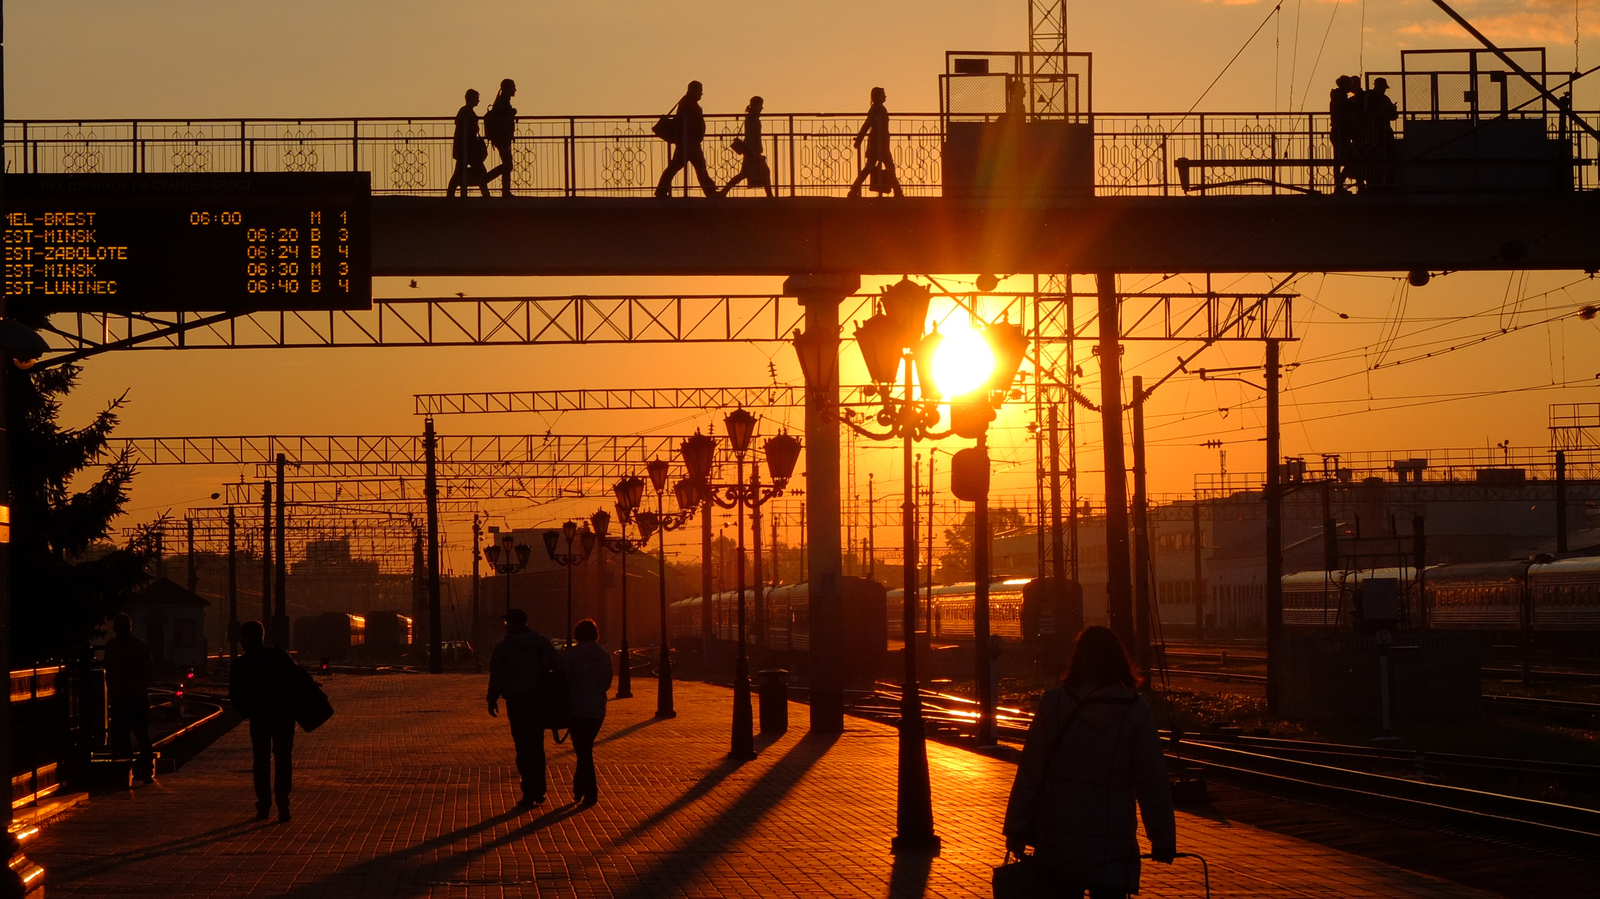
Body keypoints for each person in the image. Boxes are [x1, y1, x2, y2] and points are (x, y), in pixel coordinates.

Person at [1002, 626, 1176, 899]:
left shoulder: (1054, 704)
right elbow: (1152, 782)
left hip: (1058, 843)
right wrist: (1163, 839)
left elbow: (1030, 772)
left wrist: (1016, 828)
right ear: (1119, 661)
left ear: (1078, 660)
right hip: (1114, 845)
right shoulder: (1136, 712)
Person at [487, 607, 559, 807]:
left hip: (516, 702)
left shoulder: (503, 647)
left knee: (523, 748)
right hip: (538, 701)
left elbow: (497, 675)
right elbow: (558, 665)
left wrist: (492, 699)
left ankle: (528, 791)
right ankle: (540, 789)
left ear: (512, 624)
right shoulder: (541, 643)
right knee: (537, 747)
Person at [229, 620, 298, 823]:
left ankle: (264, 806)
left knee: (261, 762)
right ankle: (283, 804)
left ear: (244, 639)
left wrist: (247, 713)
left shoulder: (241, 664)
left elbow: (235, 694)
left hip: (259, 719)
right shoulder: (279, 656)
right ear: (262, 636)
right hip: (283, 717)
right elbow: (296, 682)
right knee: (283, 759)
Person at [564, 618, 612, 805]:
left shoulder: (572, 655)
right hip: (597, 710)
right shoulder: (604, 655)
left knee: (583, 751)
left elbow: (564, 679)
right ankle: (581, 788)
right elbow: (607, 683)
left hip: (577, 708)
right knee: (585, 749)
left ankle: (589, 792)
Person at [103, 613, 155, 784]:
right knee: (142, 736)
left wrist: (115, 690)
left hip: (121, 698)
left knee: (122, 736)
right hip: (137, 697)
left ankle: (126, 772)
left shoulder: (111, 647)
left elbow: (109, 672)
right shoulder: (140, 646)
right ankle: (145, 771)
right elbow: (149, 673)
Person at [655, 81, 719, 198]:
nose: (701, 93)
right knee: (697, 167)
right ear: (693, 90)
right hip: (689, 142)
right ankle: (711, 192)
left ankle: (661, 190)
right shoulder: (688, 103)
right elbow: (686, 122)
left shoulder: (687, 101)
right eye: (700, 90)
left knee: (680, 166)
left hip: (688, 142)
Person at [848, 87, 903, 198]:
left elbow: (867, 125)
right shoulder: (879, 109)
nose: (885, 96)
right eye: (883, 94)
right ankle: (898, 191)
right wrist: (861, 139)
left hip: (877, 144)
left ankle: (854, 189)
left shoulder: (875, 108)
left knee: (870, 168)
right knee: (889, 168)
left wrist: (859, 139)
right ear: (878, 96)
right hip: (880, 145)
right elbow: (872, 126)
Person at [721, 96, 774, 197]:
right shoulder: (752, 119)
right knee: (764, 172)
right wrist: (753, 151)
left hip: (751, 151)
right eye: (760, 106)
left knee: (745, 174)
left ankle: (724, 191)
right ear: (756, 106)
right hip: (752, 151)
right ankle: (770, 196)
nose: (761, 109)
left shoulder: (751, 118)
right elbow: (751, 136)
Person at [448, 88, 490, 198]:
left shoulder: (465, 111)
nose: (478, 101)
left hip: (466, 148)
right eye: (477, 98)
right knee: (480, 171)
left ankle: (450, 194)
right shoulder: (466, 111)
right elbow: (466, 129)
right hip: (467, 148)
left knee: (459, 172)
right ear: (471, 99)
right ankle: (486, 195)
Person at [1361, 77, 1399, 190]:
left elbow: (1394, 116)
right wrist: (1381, 112)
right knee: (1374, 157)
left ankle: (1386, 182)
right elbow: (1366, 115)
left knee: (1389, 156)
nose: (1383, 90)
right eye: (1382, 87)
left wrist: (1392, 110)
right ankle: (1374, 183)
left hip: (1385, 132)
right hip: (1374, 133)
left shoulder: (1385, 99)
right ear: (1376, 86)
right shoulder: (1370, 98)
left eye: (1384, 88)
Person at [483, 79, 518, 197]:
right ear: (507, 88)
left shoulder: (502, 100)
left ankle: (505, 190)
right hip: (502, 138)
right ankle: (486, 180)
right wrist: (512, 112)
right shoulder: (503, 101)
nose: (515, 90)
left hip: (502, 138)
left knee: (507, 164)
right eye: (513, 87)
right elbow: (503, 117)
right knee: (508, 164)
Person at [1329, 75, 1361, 194]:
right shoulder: (1340, 98)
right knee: (1350, 159)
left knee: (1341, 160)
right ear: (1344, 85)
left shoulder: (1338, 96)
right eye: (1349, 84)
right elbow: (1351, 107)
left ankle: (1339, 185)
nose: (1350, 87)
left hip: (1340, 132)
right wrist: (1357, 96)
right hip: (1340, 132)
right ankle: (1339, 185)